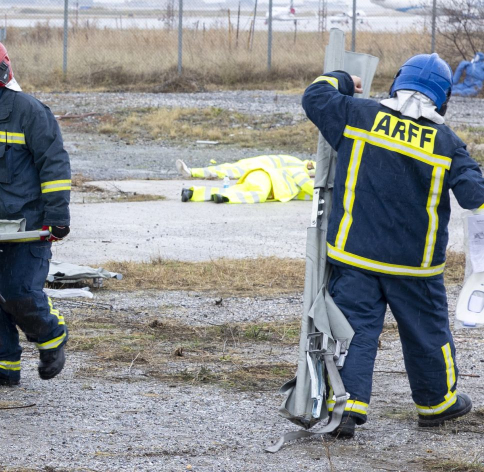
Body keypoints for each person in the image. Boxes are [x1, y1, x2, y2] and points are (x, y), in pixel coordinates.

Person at [302, 53, 484, 439]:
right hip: (414, 268)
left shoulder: (358, 115)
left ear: (397, 84)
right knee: (427, 335)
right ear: (443, 99)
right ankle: (437, 404)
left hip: (355, 256)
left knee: (355, 331)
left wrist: (341, 79)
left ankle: (345, 407)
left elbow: (314, 96)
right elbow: (474, 196)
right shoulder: (448, 144)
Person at [0, 35, 72, 387]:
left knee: (19, 293)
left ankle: (52, 337)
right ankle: (0, 368)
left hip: (28, 226)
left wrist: (58, 216)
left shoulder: (29, 112)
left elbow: (54, 165)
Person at [180, 161, 313, 204]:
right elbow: (311, 188)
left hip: (257, 176)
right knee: (258, 194)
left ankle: (192, 192)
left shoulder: (292, 183)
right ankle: (228, 199)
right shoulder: (299, 171)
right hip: (265, 178)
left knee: (234, 190)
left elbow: (305, 195)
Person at [175, 155, 314, 180]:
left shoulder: (299, 169)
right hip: (265, 161)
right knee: (230, 167)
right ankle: (193, 172)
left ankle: (193, 172)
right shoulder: (300, 163)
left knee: (230, 170)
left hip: (264, 166)